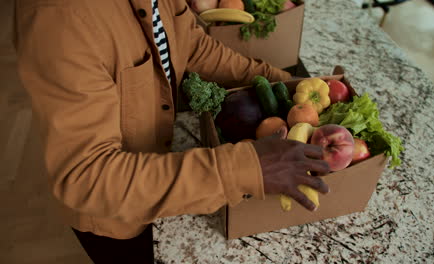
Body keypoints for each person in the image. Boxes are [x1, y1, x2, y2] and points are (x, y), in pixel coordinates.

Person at [14, 0, 330, 263]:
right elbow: (88, 177)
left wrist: (280, 83)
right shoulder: (59, 18)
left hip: (165, 169)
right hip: (117, 220)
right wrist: (248, 167)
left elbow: (190, 45)